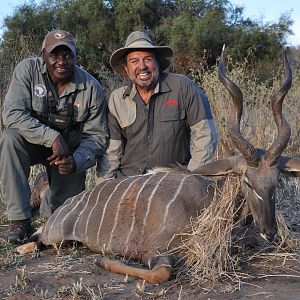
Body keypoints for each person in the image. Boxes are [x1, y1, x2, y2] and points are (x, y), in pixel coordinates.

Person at [0, 30, 108, 243]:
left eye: (67, 56)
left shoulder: (92, 87)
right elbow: (11, 114)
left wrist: (76, 161)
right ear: (43, 56)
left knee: (61, 218)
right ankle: (19, 219)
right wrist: (51, 137)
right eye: (54, 56)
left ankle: (45, 192)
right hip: (31, 143)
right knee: (9, 139)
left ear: (76, 57)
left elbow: (97, 137)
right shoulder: (27, 70)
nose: (61, 62)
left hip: (66, 154)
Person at [96, 31, 217, 181]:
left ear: (157, 63)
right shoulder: (117, 98)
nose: (142, 66)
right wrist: (104, 188)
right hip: (128, 182)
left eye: (147, 59)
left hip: (171, 180)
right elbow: (112, 152)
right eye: (134, 61)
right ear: (127, 69)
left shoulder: (183, 87)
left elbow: (205, 135)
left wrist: (193, 180)